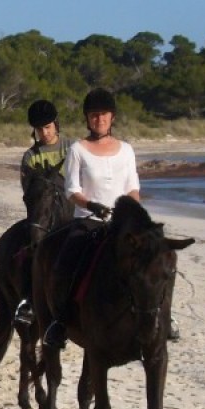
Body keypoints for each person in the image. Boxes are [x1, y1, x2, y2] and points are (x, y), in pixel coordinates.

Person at [41, 87, 141, 349]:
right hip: (88, 220)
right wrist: (92, 205)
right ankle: (59, 322)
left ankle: (162, 316)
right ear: (87, 118)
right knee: (67, 261)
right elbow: (71, 190)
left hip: (120, 223)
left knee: (153, 259)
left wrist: (134, 217)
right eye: (94, 115)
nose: (99, 119)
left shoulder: (127, 150)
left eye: (104, 114)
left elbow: (132, 188)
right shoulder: (78, 149)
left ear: (112, 117)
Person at [13, 99, 67, 325]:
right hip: (42, 215)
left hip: (70, 210)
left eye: (47, 127)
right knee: (28, 249)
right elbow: (29, 193)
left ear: (56, 125)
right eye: (39, 129)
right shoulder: (30, 156)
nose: (44, 133)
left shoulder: (72, 148)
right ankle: (27, 299)